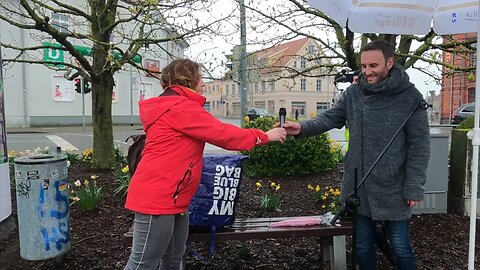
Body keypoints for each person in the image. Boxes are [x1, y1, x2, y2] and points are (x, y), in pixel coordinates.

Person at [124, 58, 286, 270]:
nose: (203, 84)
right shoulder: (179, 108)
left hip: (175, 199)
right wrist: (264, 136)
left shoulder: (177, 106)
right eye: (201, 78)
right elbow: (223, 134)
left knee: (173, 260)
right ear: (188, 79)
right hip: (158, 199)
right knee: (142, 264)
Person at [283, 40, 430, 269]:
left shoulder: (411, 97)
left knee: (401, 248)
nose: (367, 72)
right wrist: (302, 128)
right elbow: (330, 118)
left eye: (373, 65)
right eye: (363, 66)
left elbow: (420, 147)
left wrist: (414, 186)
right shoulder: (354, 93)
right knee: (362, 247)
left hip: (395, 186)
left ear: (390, 63)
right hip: (359, 184)